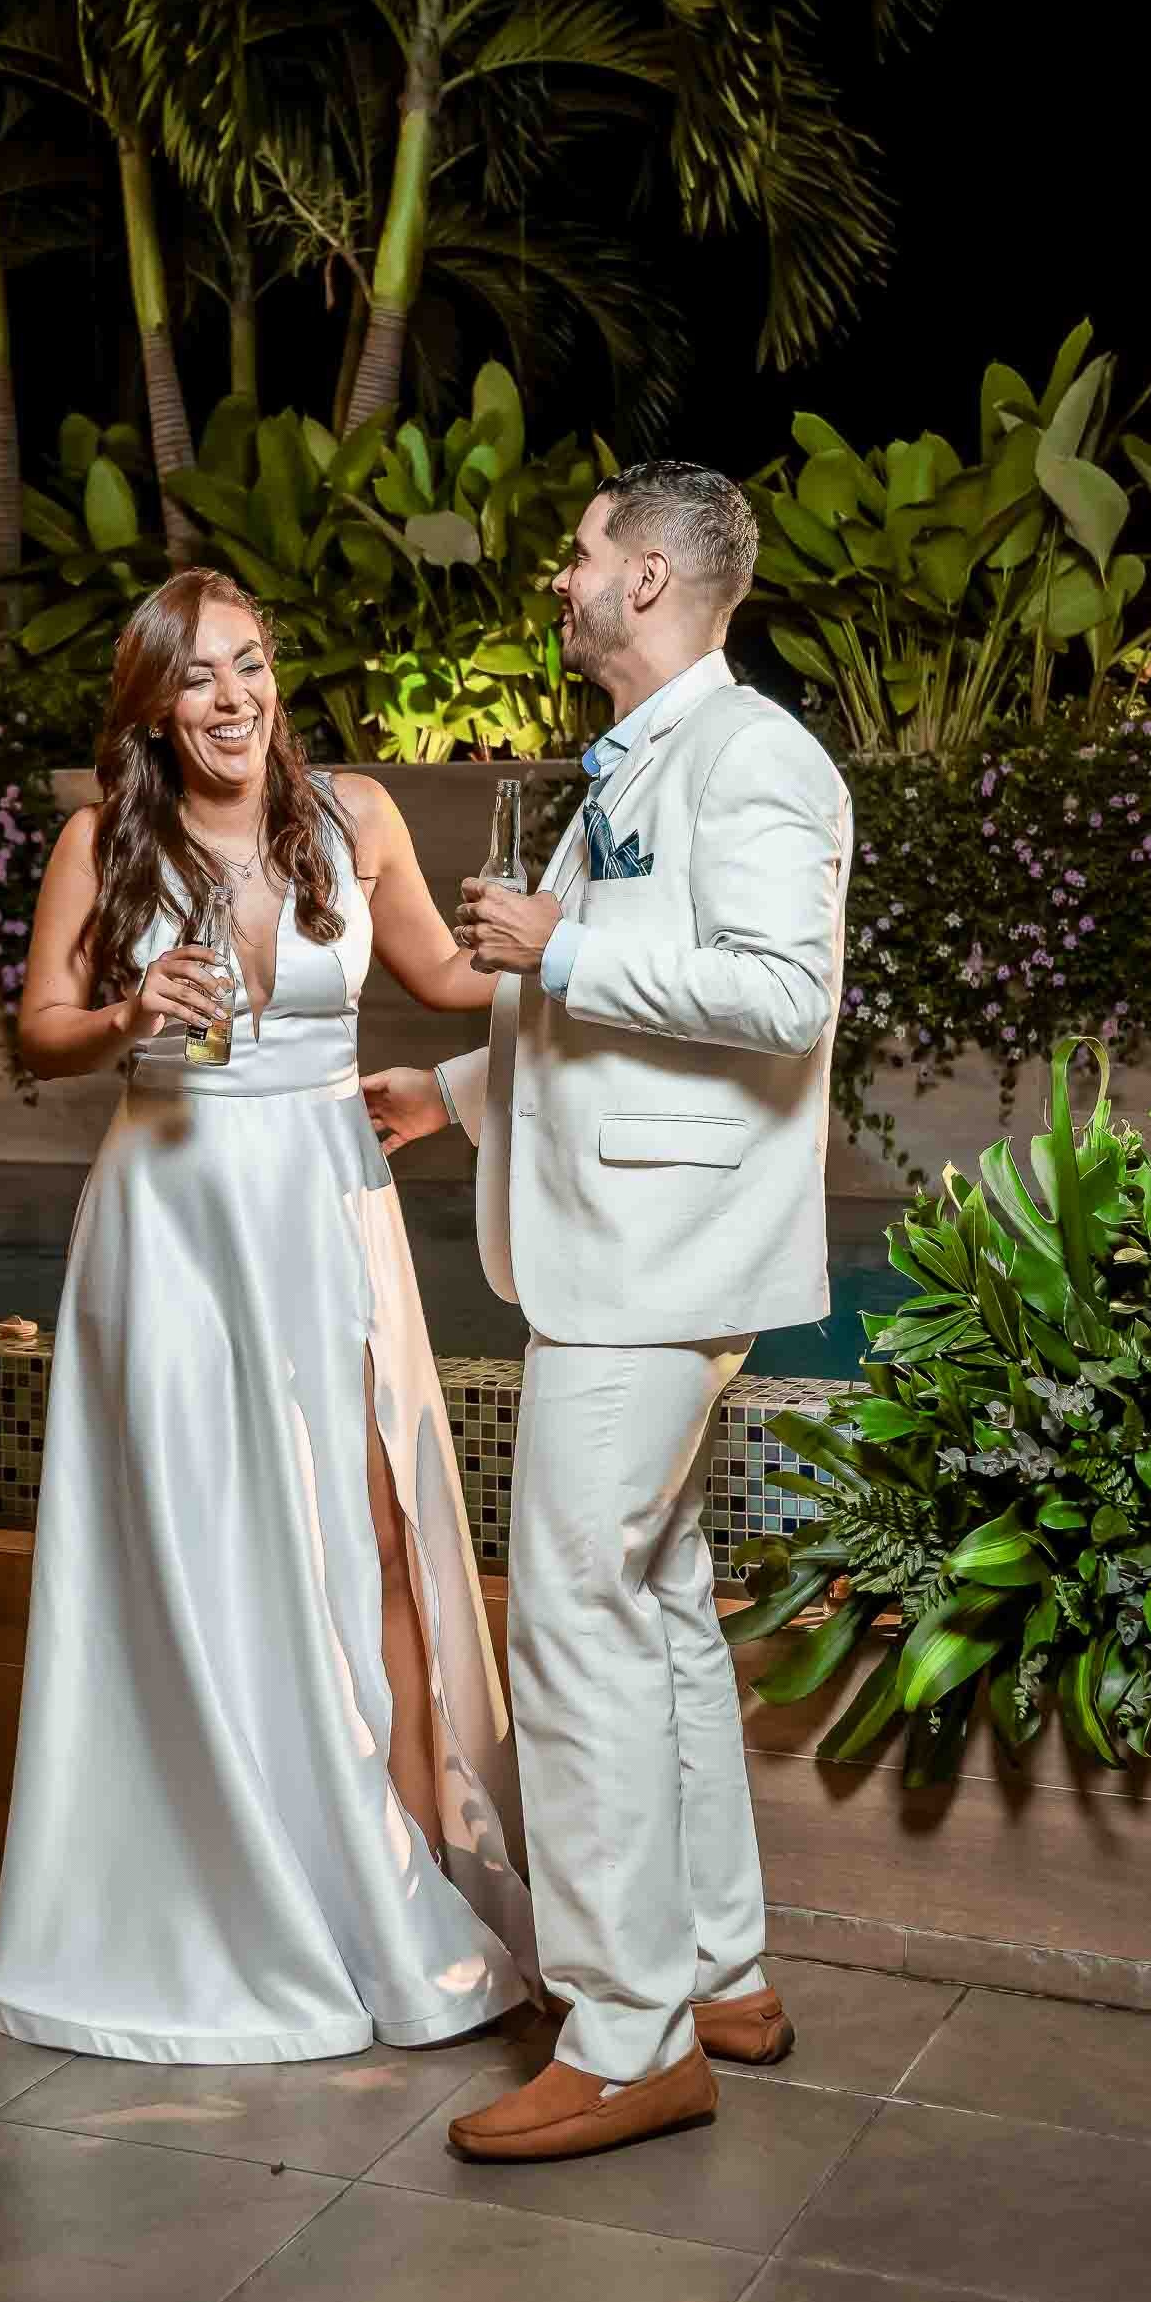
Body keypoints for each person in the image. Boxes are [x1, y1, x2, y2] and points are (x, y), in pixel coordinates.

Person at [0, 568, 536, 2063]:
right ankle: (224, 1883)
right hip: (174, 1216)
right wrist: (128, 1013)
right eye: (201, 676)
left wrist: (564, 939)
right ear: (156, 705)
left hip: (326, 1202)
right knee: (200, 1532)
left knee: (377, 1526)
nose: (235, 698)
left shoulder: (359, 817)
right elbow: (42, 1030)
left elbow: (445, 976)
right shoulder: (104, 838)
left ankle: (403, 1876)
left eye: (254, 664)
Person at [363, 461, 852, 2160]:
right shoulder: (626, 766)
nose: (560, 577)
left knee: (573, 1614)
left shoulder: (754, 758)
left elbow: (780, 996)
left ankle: (629, 2038)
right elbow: (587, 1017)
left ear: (646, 578)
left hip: (659, 1263)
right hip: (623, 1248)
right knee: (656, 1603)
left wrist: (559, 947)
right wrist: (450, 1093)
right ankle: (718, 1975)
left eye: (580, 553)